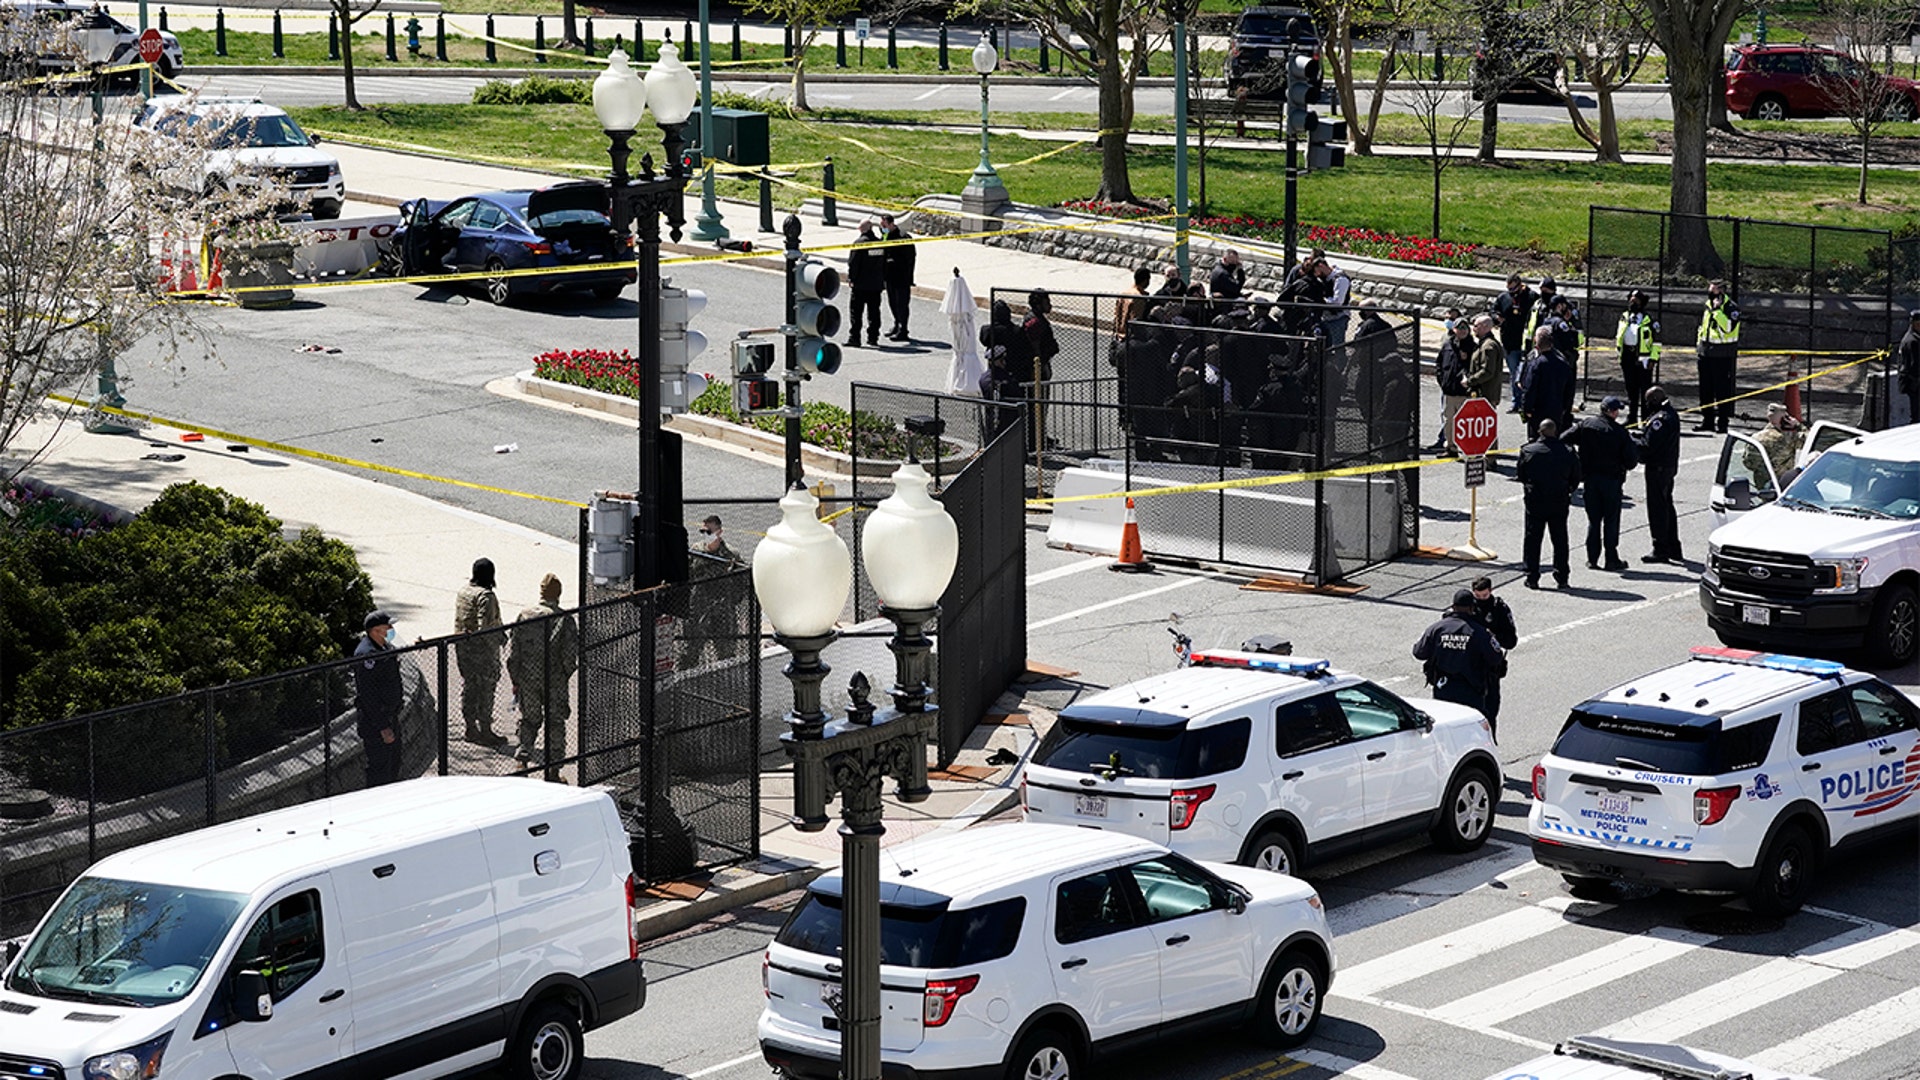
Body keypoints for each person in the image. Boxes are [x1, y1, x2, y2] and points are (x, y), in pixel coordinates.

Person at [508, 574, 578, 767]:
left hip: (528, 678)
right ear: (558, 593)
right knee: (555, 722)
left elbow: (514, 652)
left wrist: (516, 678)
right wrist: (565, 674)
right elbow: (569, 655)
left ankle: (522, 760)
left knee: (529, 720)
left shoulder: (524, 615)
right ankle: (554, 768)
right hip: (554, 679)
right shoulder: (564, 619)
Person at [1564, 396, 1640, 572]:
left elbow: (1564, 438)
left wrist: (1576, 460)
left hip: (1591, 480)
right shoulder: (1619, 432)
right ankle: (1611, 558)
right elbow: (1631, 461)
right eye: (1615, 410)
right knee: (1611, 521)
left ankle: (1592, 558)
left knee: (1593, 520)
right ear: (1609, 411)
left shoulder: (1586, 425)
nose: (1617, 413)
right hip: (1612, 481)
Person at [1412, 588, 1508, 726]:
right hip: (1471, 691)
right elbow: (1496, 657)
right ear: (1472, 608)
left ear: (1452, 607)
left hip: (1443, 688)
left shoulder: (1437, 628)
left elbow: (1419, 652)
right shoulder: (1479, 632)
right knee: (1472, 729)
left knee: (1446, 727)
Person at [1517, 419, 1582, 589]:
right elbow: (1576, 478)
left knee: (1532, 539)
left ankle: (1532, 577)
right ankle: (1562, 577)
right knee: (1560, 539)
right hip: (1559, 500)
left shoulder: (1528, 450)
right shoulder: (1567, 452)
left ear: (1539, 431)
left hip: (1535, 501)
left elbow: (1521, 475)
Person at [452, 557, 505, 746]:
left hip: (464, 650)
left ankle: (470, 728)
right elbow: (487, 628)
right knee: (486, 690)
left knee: (469, 687)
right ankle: (486, 730)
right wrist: (497, 644)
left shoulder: (464, 592)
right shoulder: (486, 596)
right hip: (482, 652)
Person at [353, 610, 404, 787]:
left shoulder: (384, 647)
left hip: (391, 716)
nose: (390, 629)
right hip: (376, 723)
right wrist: (383, 727)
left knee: (393, 764)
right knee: (379, 770)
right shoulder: (367, 655)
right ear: (375, 630)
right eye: (387, 626)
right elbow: (368, 696)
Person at [1636, 385, 1684, 564]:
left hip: (1658, 468)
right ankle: (1673, 547)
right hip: (1667, 467)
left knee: (1657, 509)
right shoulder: (1669, 414)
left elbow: (1648, 446)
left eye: (1649, 402)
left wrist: (1630, 442)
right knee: (1666, 506)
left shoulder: (1660, 419)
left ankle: (1661, 548)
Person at [1466, 576, 1517, 732]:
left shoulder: (1499, 608)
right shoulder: (1467, 606)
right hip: (1470, 665)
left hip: (1490, 667)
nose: (1481, 599)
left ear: (1491, 591)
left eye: (1485, 596)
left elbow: (1511, 641)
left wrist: (1491, 637)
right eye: (1478, 596)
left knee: (1490, 712)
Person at [1695, 279, 1741, 433]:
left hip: (1722, 355)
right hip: (1705, 353)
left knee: (1722, 391)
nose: (1709, 292)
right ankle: (1707, 421)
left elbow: (1728, 327)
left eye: (1713, 289)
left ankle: (1722, 423)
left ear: (1721, 291)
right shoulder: (1708, 305)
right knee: (1705, 390)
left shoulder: (1731, 308)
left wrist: (1717, 311)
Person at [1614, 290, 1661, 425]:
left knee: (1645, 390)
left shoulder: (1649, 320)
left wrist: (1653, 359)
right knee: (1631, 389)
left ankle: (1646, 418)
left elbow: (1657, 343)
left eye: (1636, 301)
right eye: (1631, 300)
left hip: (1644, 358)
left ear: (1642, 303)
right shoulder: (1624, 317)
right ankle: (1632, 417)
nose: (1632, 303)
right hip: (1627, 356)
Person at [1520, 325, 1574, 440]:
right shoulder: (1563, 363)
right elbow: (1570, 389)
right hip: (1556, 409)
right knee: (1555, 440)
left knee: (1535, 441)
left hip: (1538, 410)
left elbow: (1530, 388)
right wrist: (1565, 408)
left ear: (1536, 344)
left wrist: (1527, 409)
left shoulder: (1536, 364)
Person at [1022, 289, 1061, 450]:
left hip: (1043, 367)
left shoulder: (1038, 319)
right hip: (1037, 370)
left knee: (1042, 406)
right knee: (1037, 405)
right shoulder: (1034, 323)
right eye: (1047, 302)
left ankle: (1041, 436)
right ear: (1038, 304)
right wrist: (1038, 368)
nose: (1050, 305)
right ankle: (1036, 441)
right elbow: (1034, 348)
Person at [1431, 312, 1472, 456]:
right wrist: (1442, 382)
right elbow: (1439, 364)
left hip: (1464, 393)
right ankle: (1451, 448)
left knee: (1465, 423)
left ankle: (1469, 449)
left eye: (1465, 328)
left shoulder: (1473, 347)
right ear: (1454, 329)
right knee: (1449, 422)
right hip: (1449, 391)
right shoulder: (1448, 345)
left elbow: (1475, 368)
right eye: (1459, 328)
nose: (1462, 331)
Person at [1493, 273, 1536, 409]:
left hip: (1527, 343)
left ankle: (1527, 400)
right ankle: (1516, 401)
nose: (1511, 292)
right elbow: (1493, 311)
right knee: (1514, 373)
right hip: (1509, 342)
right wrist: (1497, 318)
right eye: (1509, 289)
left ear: (1520, 285)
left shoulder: (1531, 297)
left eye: (1513, 289)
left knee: (1527, 373)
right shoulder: (1503, 298)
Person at [845, 220, 886, 348]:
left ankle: (855, 338)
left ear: (860, 229)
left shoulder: (859, 244)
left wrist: (851, 279)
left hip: (860, 285)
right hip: (875, 285)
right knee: (874, 312)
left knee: (856, 313)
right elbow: (884, 263)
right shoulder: (880, 244)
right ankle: (873, 338)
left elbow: (853, 264)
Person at [1744, 402, 1805, 485]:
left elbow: (1748, 463)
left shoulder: (1757, 438)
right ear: (1785, 418)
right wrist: (1798, 426)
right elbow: (1811, 440)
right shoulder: (1791, 437)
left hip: (1764, 483)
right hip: (1785, 481)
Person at [879, 213, 916, 341]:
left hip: (901, 277)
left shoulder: (903, 238)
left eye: (884, 225)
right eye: (881, 225)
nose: (882, 228)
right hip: (889, 277)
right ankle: (896, 324)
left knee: (902, 304)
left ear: (891, 224)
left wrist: (910, 277)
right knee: (892, 303)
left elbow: (910, 259)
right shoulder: (885, 236)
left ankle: (903, 329)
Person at [1466, 312, 1505, 410]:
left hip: (1486, 395)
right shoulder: (1484, 344)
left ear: (1485, 327)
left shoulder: (1488, 347)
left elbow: (1487, 371)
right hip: (1483, 395)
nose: (1473, 329)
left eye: (1476, 326)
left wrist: (1469, 381)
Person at [1319, 260, 1353, 347]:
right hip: (1326, 318)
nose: (1317, 274)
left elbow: (1338, 302)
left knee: (1337, 348)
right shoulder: (1327, 279)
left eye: (1318, 271)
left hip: (1338, 318)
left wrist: (1321, 300)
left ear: (1321, 266)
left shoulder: (1341, 279)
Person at [1897, 308, 1920, 425]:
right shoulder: (1912, 341)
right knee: (1916, 416)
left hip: (1912, 382)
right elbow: (1915, 365)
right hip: (1914, 383)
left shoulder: (1911, 338)